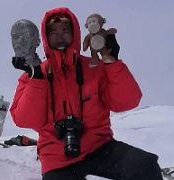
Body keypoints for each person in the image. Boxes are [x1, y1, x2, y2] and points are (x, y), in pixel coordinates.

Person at [10, 7, 163, 180]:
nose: (59, 35)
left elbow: (127, 101)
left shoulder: (95, 68)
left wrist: (112, 61)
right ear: (45, 37)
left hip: (100, 148)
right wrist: (36, 77)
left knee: (145, 166)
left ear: (75, 32)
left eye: (65, 29)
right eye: (53, 31)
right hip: (56, 159)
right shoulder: (33, 75)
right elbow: (25, 119)